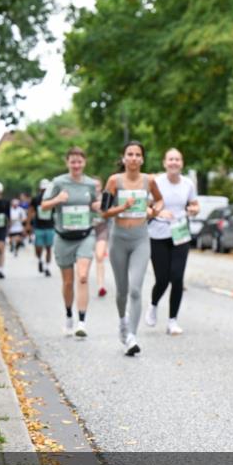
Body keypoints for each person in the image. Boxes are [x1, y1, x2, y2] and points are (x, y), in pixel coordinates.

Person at [102, 141, 164, 356]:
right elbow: (104, 211)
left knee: (136, 289)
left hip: (140, 239)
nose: (134, 158)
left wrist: (154, 210)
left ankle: (131, 337)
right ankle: (122, 321)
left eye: (138, 154)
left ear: (142, 159)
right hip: (118, 239)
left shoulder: (149, 180)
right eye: (130, 154)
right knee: (121, 291)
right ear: (124, 158)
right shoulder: (114, 181)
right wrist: (123, 207)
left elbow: (160, 201)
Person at [41, 147, 100, 338]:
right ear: (67, 163)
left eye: (79, 161)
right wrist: (58, 199)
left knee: (82, 276)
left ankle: (82, 321)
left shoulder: (90, 184)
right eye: (73, 161)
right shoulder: (58, 182)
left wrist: (99, 206)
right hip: (63, 237)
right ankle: (68, 316)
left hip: (85, 235)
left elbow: (95, 203)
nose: (76, 165)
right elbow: (43, 205)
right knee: (68, 282)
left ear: (85, 163)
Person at [145, 148, 199, 335]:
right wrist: (158, 212)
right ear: (164, 162)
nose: (174, 162)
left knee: (177, 278)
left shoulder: (188, 184)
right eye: (170, 159)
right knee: (162, 279)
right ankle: (153, 305)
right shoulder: (156, 182)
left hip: (180, 233)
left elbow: (195, 204)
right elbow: (146, 206)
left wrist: (193, 209)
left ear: (181, 163)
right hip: (158, 234)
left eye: (177, 159)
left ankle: (172, 321)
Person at [29, 179, 55, 276]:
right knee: (38, 247)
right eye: (43, 189)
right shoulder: (36, 199)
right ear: (40, 189)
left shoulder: (52, 199)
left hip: (50, 226)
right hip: (38, 227)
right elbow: (30, 211)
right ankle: (40, 260)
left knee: (48, 248)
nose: (44, 191)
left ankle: (47, 267)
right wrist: (28, 225)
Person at [92, 177, 111, 298]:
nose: (95, 188)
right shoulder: (85, 198)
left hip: (102, 229)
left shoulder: (106, 198)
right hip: (87, 230)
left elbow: (111, 214)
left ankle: (101, 286)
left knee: (99, 257)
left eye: (98, 186)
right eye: (93, 186)